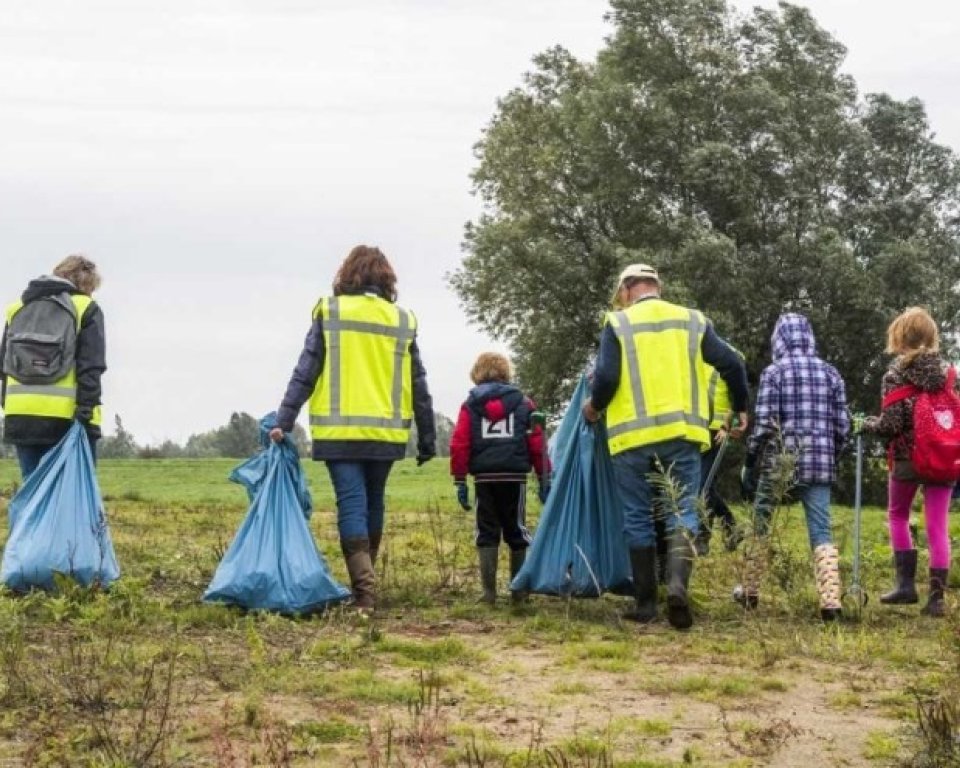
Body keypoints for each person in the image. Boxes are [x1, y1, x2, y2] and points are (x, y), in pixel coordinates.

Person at [269, 245, 436, 614]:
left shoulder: (330, 312)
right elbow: (418, 383)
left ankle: (365, 593)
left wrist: (284, 420)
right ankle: (367, 586)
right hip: (387, 434)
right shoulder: (402, 320)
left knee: (352, 504)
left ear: (347, 275)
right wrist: (427, 438)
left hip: (340, 432)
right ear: (386, 279)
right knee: (373, 501)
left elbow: (306, 370)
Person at [583, 263, 748, 630]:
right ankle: (676, 586)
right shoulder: (692, 320)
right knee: (682, 511)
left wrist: (593, 407)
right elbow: (732, 364)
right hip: (682, 435)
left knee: (638, 516)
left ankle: (645, 606)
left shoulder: (618, 323)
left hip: (631, 439)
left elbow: (607, 377)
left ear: (626, 290)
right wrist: (740, 408)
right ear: (658, 286)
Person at [739, 313, 849, 621]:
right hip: (820, 465)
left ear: (780, 339)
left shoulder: (774, 372)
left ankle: (749, 591)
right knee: (821, 531)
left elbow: (763, 424)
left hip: (779, 465)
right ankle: (830, 603)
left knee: (761, 524)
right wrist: (832, 456)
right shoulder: (831, 374)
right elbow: (842, 426)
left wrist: (750, 462)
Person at [862, 307, 953, 617]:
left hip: (907, 457)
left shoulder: (896, 375)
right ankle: (937, 600)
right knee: (937, 526)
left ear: (900, 338)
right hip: (943, 456)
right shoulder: (949, 375)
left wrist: (868, 425)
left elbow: (891, 423)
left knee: (898, 514)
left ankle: (905, 586)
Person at [449, 352, 551, 605]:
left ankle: (489, 593)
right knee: (516, 528)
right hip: (514, 476)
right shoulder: (524, 404)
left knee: (486, 530)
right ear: (506, 373)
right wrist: (543, 476)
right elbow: (536, 442)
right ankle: (518, 591)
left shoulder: (470, 404)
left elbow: (460, 442)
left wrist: (460, 479)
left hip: (484, 478)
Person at [0, 255, 106, 479]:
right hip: (69, 420)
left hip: (21, 416)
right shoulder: (85, 308)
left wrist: (7, 406)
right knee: (74, 498)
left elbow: (4, 365)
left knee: (34, 496)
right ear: (86, 284)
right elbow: (91, 368)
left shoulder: (17, 308)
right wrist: (86, 414)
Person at [695, 356, 746, 555]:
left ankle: (707, 535)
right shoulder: (693, 351)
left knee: (703, 485)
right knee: (702, 485)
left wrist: (728, 426)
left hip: (718, 431)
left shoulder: (728, 355)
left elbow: (739, 395)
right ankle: (728, 528)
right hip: (697, 429)